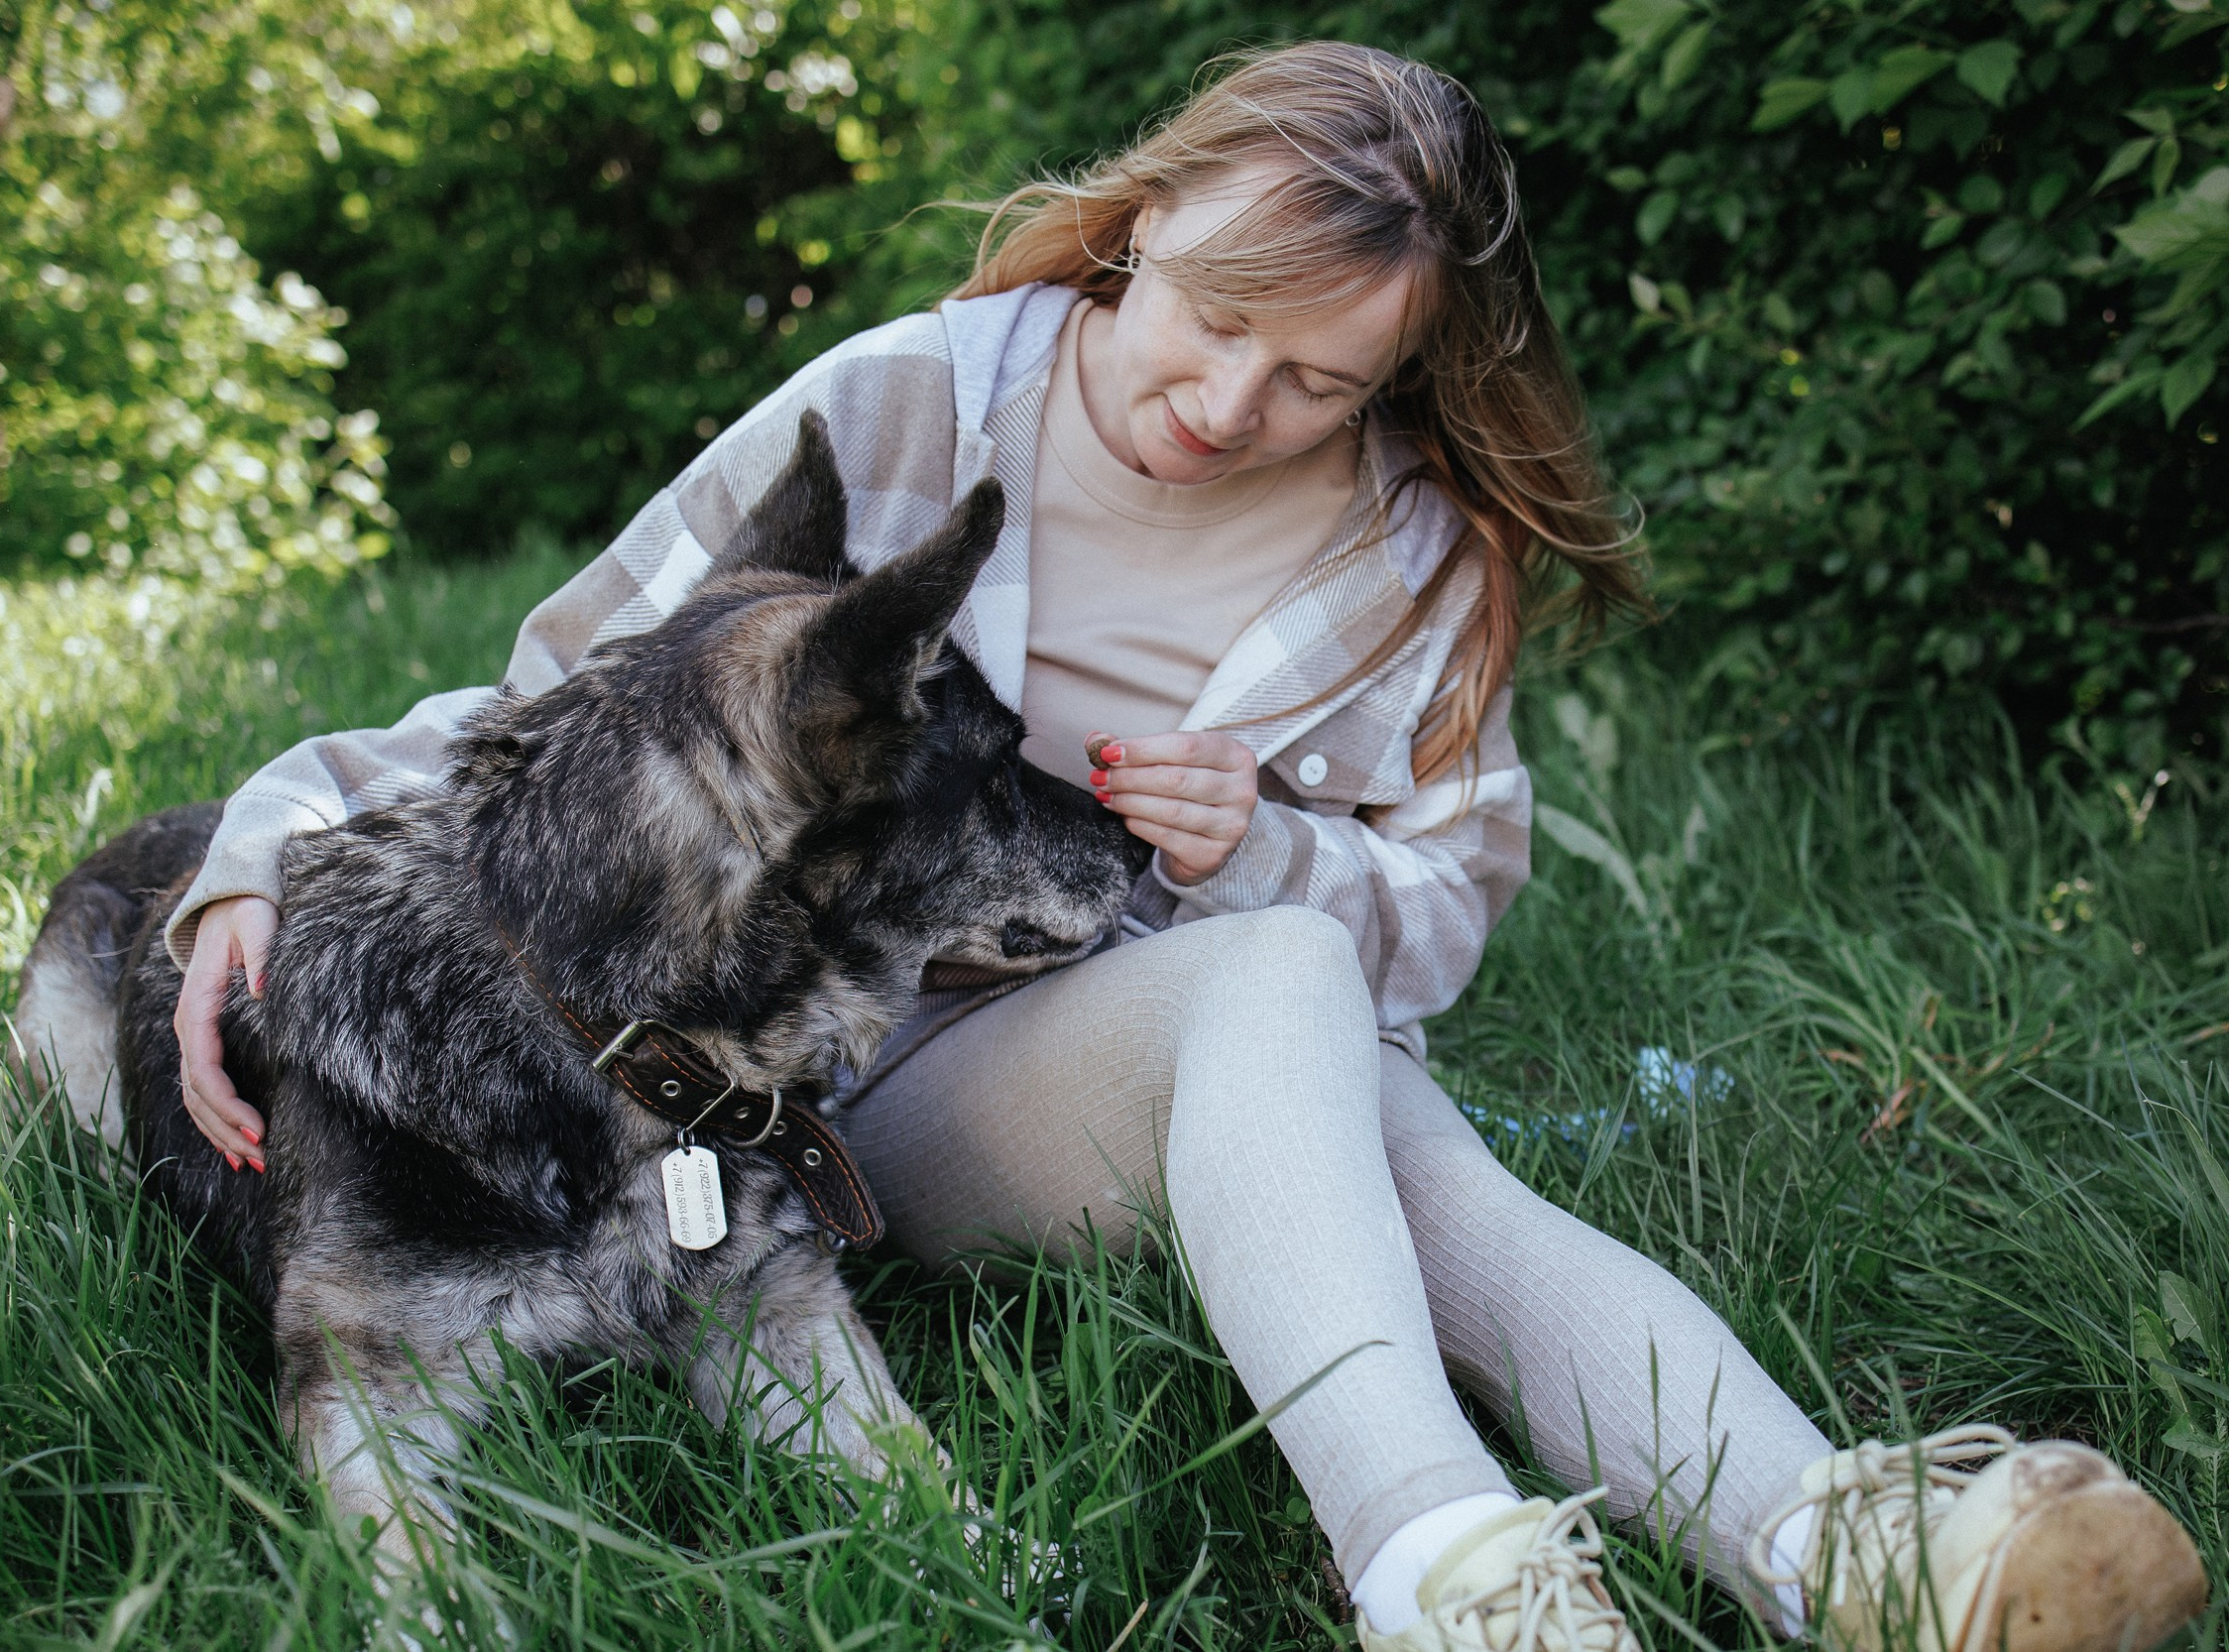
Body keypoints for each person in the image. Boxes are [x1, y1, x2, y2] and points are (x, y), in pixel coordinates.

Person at [159, 42, 2207, 1652]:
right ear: (1129, 229)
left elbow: (1442, 908)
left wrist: (1272, 849)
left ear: (1398, 374)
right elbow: (570, 714)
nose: (1227, 399)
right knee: (1305, 1016)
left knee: (1341, 1038)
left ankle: (1827, 1554)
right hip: (860, 1083)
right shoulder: (902, 405)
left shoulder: (1411, 554)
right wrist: (256, 848)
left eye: (1317, 376)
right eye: (1211, 314)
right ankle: (1451, 1548)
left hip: (1252, 1051)